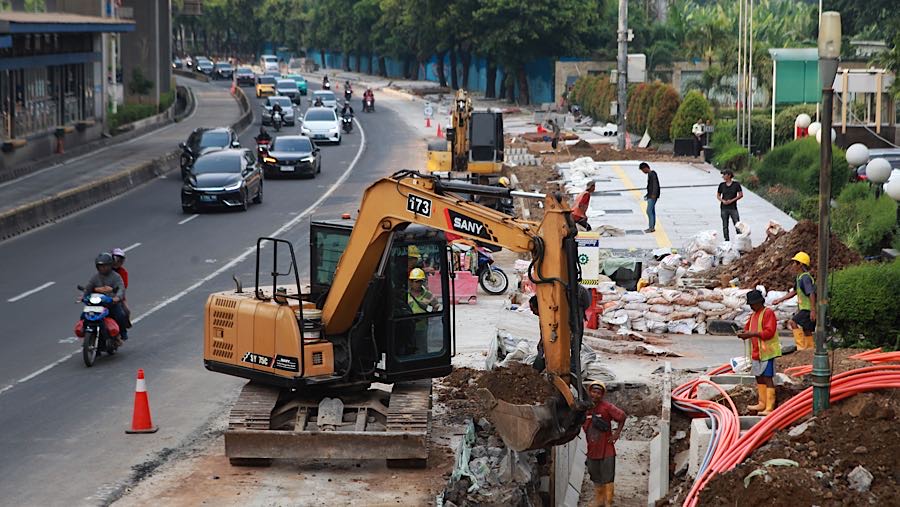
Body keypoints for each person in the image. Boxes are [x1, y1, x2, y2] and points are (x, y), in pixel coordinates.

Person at [737, 289, 781, 415]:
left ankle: (770, 406)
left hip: (767, 352)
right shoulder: (753, 315)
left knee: (767, 378)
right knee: (759, 377)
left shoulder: (768, 313)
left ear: (759, 302)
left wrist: (752, 334)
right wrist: (744, 334)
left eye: (753, 304)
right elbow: (747, 329)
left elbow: (769, 332)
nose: (751, 307)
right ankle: (762, 403)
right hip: (757, 352)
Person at [583, 381, 626, 507]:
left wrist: (617, 434)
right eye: (593, 392)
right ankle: (599, 501)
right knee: (595, 475)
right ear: (589, 392)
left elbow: (622, 417)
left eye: (598, 393)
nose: (595, 395)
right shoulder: (585, 409)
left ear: (602, 395)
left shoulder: (607, 407)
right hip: (592, 449)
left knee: (608, 476)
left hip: (607, 448)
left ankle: (608, 502)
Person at [772, 252, 816, 350]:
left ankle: (800, 347)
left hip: (808, 308)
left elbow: (811, 293)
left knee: (793, 322)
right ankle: (809, 348)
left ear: (800, 264)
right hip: (805, 308)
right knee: (807, 329)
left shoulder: (805, 278)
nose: (792, 266)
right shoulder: (799, 278)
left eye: (794, 263)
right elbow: (795, 292)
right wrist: (780, 300)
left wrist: (813, 310)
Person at [83, 252, 128, 342]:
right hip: (97, 303)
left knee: (120, 315)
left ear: (110, 265)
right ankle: (88, 336)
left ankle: (123, 333)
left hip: (111, 303)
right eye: (100, 266)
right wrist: (84, 296)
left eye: (105, 266)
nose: (102, 268)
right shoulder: (95, 277)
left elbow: (121, 288)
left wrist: (117, 298)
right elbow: (89, 287)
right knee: (83, 316)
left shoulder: (116, 277)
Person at [717, 170, 744, 241]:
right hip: (724, 208)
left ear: (729, 175)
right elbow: (718, 195)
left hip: (733, 208)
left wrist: (731, 200)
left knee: (737, 224)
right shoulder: (721, 185)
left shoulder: (736, 184)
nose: (723, 176)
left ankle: (739, 240)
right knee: (725, 225)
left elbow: (741, 195)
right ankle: (726, 240)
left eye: (724, 175)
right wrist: (723, 201)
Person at [111, 248, 132, 327]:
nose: (117, 262)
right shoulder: (105, 269)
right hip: (103, 295)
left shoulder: (123, 272)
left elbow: (124, 286)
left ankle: (123, 332)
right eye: (116, 259)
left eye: (120, 260)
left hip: (117, 296)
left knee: (126, 312)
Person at [640, 162, 660, 233]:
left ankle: (651, 227)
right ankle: (652, 227)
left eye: (643, 170)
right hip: (650, 195)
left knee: (649, 211)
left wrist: (653, 195)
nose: (643, 172)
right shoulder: (650, 174)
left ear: (646, 168)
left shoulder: (652, 174)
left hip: (652, 196)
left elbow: (655, 185)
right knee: (652, 211)